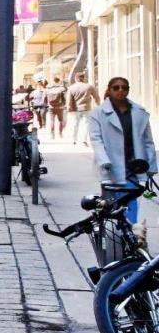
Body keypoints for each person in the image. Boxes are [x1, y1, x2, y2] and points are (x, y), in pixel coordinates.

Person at [90, 77, 158, 225]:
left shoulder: (139, 112)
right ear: (109, 90)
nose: (120, 90)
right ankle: (113, 241)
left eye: (124, 88)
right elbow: (96, 140)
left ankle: (129, 240)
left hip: (133, 168)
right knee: (111, 208)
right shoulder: (98, 113)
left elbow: (148, 142)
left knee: (130, 205)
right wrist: (104, 161)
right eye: (116, 87)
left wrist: (151, 167)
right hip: (110, 167)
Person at [68, 72, 100, 146]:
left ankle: (74, 140)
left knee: (75, 124)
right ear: (83, 78)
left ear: (76, 78)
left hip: (76, 109)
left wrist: (69, 108)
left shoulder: (71, 87)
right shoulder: (89, 87)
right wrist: (98, 105)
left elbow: (69, 100)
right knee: (86, 124)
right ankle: (84, 140)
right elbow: (96, 97)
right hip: (87, 108)